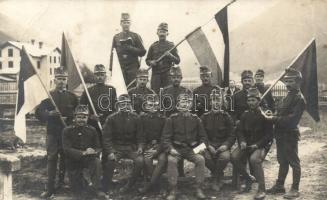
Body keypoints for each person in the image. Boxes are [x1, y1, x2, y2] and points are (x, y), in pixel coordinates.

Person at [36, 67, 78, 198]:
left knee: (66, 158)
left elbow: (79, 113)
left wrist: (71, 119)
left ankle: (62, 182)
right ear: (55, 80)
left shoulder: (72, 97)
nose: (61, 81)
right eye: (59, 78)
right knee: (52, 158)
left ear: (67, 80)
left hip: (67, 133)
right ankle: (50, 188)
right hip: (53, 133)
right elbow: (38, 113)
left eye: (64, 79)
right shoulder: (49, 96)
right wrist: (49, 114)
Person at [264, 69, 305, 199]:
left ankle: (295, 189)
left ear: (298, 82)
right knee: (282, 161)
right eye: (286, 81)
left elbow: (292, 120)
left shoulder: (299, 98)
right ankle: (280, 185)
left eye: (290, 81)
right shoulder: (288, 95)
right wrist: (273, 114)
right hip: (281, 134)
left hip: (290, 134)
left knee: (294, 162)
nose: (287, 84)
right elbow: (281, 112)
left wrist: (273, 119)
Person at [162, 93, 208, 200]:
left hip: (191, 149)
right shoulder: (171, 119)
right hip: (176, 149)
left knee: (200, 160)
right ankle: (173, 189)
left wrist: (199, 149)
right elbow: (165, 138)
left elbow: (204, 138)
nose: (185, 105)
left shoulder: (196, 119)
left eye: (187, 102)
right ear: (178, 105)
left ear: (191, 105)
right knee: (172, 161)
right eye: (182, 102)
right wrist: (170, 149)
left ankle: (198, 188)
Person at [231, 88, 273, 199]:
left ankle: (262, 189)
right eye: (249, 100)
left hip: (261, 145)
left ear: (259, 101)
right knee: (234, 156)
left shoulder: (265, 115)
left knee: (254, 159)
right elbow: (239, 130)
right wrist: (242, 141)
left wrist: (257, 145)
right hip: (247, 144)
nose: (251, 103)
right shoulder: (245, 115)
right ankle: (248, 178)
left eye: (253, 100)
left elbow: (269, 136)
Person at [102, 94, 144, 192]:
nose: (125, 106)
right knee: (110, 161)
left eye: (127, 103)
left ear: (130, 105)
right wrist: (111, 151)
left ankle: (129, 185)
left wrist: (140, 147)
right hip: (117, 148)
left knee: (140, 161)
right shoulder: (111, 118)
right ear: (118, 105)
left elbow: (140, 136)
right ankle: (105, 187)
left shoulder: (136, 118)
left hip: (131, 148)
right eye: (122, 104)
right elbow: (106, 138)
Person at [62, 105, 106, 199]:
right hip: (73, 160)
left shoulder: (92, 130)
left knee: (97, 163)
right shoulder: (67, 130)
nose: (81, 120)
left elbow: (98, 147)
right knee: (77, 192)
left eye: (84, 117)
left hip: (88, 159)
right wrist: (83, 153)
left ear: (88, 118)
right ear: (75, 117)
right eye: (79, 117)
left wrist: (94, 151)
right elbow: (67, 149)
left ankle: (95, 189)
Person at [201, 89, 235, 191]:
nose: (216, 103)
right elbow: (201, 135)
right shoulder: (204, 117)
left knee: (225, 157)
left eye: (218, 100)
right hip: (207, 144)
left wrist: (225, 145)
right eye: (213, 100)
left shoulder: (226, 117)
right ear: (210, 102)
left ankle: (215, 178)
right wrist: (208, 146)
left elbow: (232, 135)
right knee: (198, 153)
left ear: (222, 102)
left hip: (222, 144)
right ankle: (218, 175)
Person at [160, 66, 192, 177]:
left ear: (181, 78)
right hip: (169, 123)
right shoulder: (164, 91)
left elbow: (189, 108)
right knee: (170, 147)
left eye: (178, 77)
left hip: (182, 122)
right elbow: (161, 108)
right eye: (174, 77)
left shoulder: (186, 91)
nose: (176, 79)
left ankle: (181, 172)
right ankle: (169, 172)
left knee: (181, 144)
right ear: (170, 78)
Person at [138, 95, 167, 194]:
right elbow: (141, 136)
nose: (153, 107)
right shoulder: (142, 119)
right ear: (145, 106)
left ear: (159, 106)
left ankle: (150, 185)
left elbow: (165, 137)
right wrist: (142, 147)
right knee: (147, 160)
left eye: (155, 105)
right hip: (148, 146)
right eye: (150, 105)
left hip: (160, 147)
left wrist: (157, 149)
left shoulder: (163, 119)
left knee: (162, 159)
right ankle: (158, 185)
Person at [110, 13, 146, 87]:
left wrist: (131, 48)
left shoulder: (135, 36)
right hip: (120, 68)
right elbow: (113, 54)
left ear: (130, 23)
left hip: (132, 68)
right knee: (120, 88)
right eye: (124, 22)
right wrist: (111, 68)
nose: (126, 24)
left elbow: (143, 51)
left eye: (128, 22)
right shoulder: (116, 37)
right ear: (121, 23)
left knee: (132, 88)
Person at [80, 64, 117, 137]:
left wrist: (108, 118)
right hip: (92, 123)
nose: (99, 77)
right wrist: (90, 116)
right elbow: (81, 108)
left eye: (102, 75)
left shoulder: (111, 89)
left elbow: (115, 107)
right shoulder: (88, 91)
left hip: (108, 123)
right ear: (94, 76)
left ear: (105, 76)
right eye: (97, 75)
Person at [146, 22, 180, 93]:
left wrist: (170, 55)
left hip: (168, 74)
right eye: (160, 31)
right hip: (156, 75)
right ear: (157, 33)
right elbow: (147, 60)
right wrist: (151, 62)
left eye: (164, 32)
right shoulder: (153, 46)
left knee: (168, 94)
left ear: (167, 33)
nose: (162, 34)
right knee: (155, 94)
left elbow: (178, 60)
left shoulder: (171, 46)